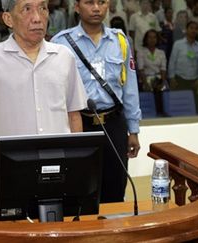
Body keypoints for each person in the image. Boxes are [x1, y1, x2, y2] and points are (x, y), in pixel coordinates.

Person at [0, 0, 88, 211]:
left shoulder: (64, 57)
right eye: (27, 9)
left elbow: (74, 116)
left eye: (43, 8)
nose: (37, 17)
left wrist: (76, 173)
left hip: (58, 173)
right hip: (11, 175)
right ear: (8, 18)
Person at [52, 0, 141, 203]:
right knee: (78, 186)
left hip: (113, 123)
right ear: (76, 7)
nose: (96, 8)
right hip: (78, 124)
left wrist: (133, 130)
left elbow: (130, 88)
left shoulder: (119, 40)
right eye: (89, 2)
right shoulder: (61, 43)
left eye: (101, 2)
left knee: (115, 186)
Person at [168, 21, 198, 113]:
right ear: (186, 30)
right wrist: (172, 78)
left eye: (196, 29)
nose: (193, 30)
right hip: (180, 80)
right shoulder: (178, 44)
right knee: (180, 108)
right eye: (191, 28)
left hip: (194, 81)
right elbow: (172, 62)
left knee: (195, 108)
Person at [137, 29, 167, 115]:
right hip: (145, 79)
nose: (152, 39)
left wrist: (163, 82)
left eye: (154, 37)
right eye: (149, 37)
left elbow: (163, 69)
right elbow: (141, 69)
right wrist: (146, 84)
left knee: (162, 91)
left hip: (159, 79)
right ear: (146, 39)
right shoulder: (141, 52)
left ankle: (161, 113)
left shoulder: (161, 53)